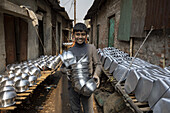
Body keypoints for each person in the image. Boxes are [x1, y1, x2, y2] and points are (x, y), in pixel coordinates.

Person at [61, 23, 101, 113]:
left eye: (83, 34)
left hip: (87, 85)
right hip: (73, 86)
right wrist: (66, 71)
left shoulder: (91, 48)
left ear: (86, 35)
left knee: (88, 110)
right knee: (75, 110)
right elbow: (62, 68)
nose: (80, 37)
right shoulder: (70, 51)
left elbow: (98, 64)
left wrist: (96, 75)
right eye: (77, 34)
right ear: (73, 35)